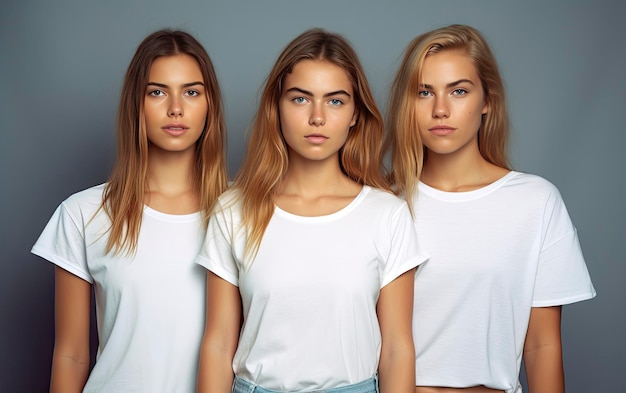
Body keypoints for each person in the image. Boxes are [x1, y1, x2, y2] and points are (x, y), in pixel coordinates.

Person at [196, 28, 425, 393]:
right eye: (300, 99)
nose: (317, 117)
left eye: (335, 101)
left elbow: (397, 348)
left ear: (354, 114)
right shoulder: (233, 210)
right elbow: (218, 343)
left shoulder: (387, 215)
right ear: (278, 108)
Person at [385, 24, 596, 393]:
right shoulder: (381, 203)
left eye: (459, 91)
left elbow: (542, 345)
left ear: (487, 100)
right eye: (424, 92)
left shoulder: (535, 201)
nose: (440, 109)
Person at [31, 29, 228, 393]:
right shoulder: (83, 213)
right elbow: (71, 354)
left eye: (191, 92)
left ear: (209, 104)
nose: (175, 108)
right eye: (157, 92)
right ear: (135, 104)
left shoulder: (241, 214)